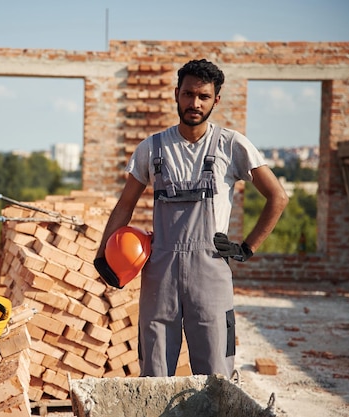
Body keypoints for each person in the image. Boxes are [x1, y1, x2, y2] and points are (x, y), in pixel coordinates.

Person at [94, 58, 289, 378]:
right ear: (176, 94)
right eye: (188, 94)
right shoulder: (152, 148)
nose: (194, 103)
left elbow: (278, 197)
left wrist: (248, 247)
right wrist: (103, 254)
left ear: (216, 100)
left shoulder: (232, 145)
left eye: (203, 96)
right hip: (161, 273)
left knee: (215, 372)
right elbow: (124, 206)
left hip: (210, 272)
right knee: (154, 373)